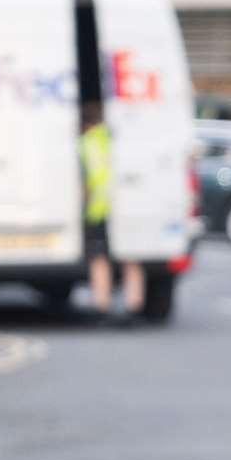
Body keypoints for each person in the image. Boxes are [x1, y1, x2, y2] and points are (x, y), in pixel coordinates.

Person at [78, 101, 144, 318]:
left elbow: (85, 181)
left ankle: (102, 305)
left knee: (99, 258)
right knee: (130, 256)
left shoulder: (86, 142)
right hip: (129, 206)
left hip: (99, 208)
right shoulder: (124, 139)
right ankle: (133, 304)